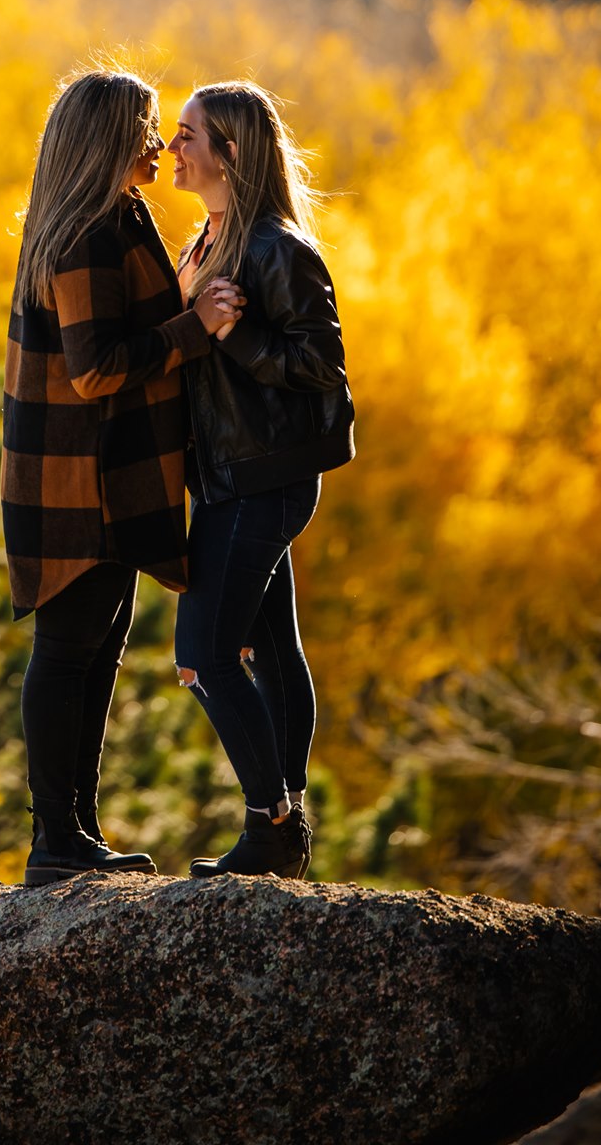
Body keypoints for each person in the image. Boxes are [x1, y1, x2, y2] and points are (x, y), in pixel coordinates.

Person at [1, 68, 236, 887]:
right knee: (70, 652)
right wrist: (194, 329)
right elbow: (96, 370)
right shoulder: (83, 236)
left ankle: (75, 832)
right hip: (76, 480)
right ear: (107, 138)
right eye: (145, 127)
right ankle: (54, 839)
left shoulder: (116, 219)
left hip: (102, 474)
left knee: (95, 653)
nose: (158, 142)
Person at [168, 80, 355, 880]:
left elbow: (322, 369)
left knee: (204, 654)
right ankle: (289, 827)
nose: (172, 148)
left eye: (187, 135)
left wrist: (235, 335)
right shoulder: (203, 240)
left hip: (263, 477)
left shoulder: (277, 248)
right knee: (271, 649)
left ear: (229, 151)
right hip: (222, 477)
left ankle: (270, 825)